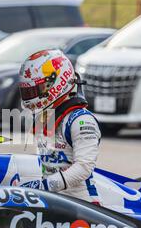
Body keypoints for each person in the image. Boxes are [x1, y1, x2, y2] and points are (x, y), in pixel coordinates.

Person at [18, 49, 101, 202]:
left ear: (56, 82)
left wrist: (46, 186)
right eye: (27, 92)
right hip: (52, 201)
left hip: (83, 209)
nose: (30, 97)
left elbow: (84, 167)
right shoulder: (44, 118)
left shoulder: (81, 120)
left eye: (35, 90)